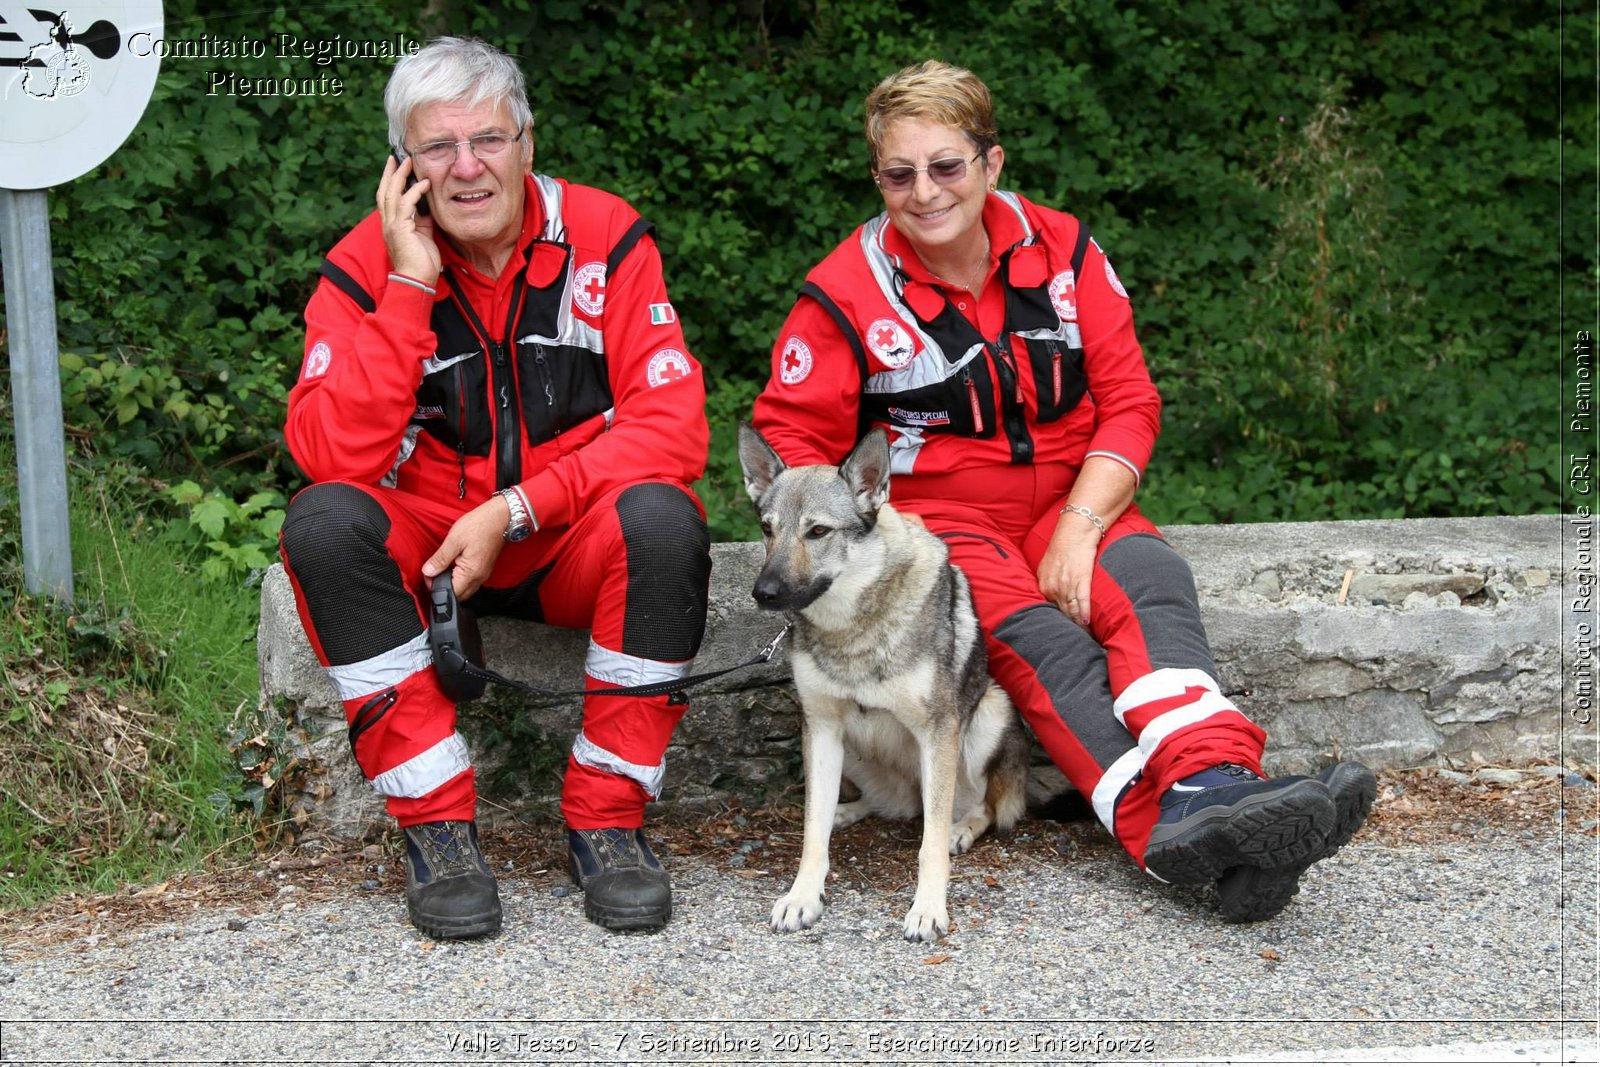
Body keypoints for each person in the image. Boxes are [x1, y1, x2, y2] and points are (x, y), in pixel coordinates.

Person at [751, 60, 1376, 922]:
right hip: (949, 525)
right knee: (1044, 643)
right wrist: (851, 530)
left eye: (947, 166)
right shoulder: (843, 291)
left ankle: (1216, 782)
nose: (925, 192)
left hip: (1076, 495)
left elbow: (1131, 401)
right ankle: (1182, 828)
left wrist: (1081, 525)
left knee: (1155, 589)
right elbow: (790, 444)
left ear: (991, 164)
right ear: (877, 179)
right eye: (899, 173)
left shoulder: (1065, 250)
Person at [280, 37, 711, 939]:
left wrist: (518, 508)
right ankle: (436, 824)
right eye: (438, 148)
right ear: (403, 167)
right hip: (431, 545)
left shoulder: (605, 233)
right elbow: (332, 457)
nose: (468, 168)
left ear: (528, 142)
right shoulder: (363, 264)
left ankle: (608, 818)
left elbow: (674, 427)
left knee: (665, 518)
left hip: (563, 538)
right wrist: (406, 287)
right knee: (323, 523)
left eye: (489, 139)